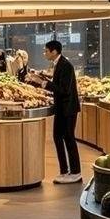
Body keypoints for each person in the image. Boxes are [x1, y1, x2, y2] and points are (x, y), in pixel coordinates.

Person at [29, 40, 81, 184]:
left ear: (54, 51)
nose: (44, 53)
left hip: (68, 109)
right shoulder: (58, 64)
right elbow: (58, 84)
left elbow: (63, 89)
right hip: (61, 108)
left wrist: (43, 83)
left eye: (46, 51)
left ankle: (76, 173)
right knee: (57, 137)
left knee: (69, 138)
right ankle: (64, 171)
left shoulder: (65, 65)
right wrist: (43, 78)